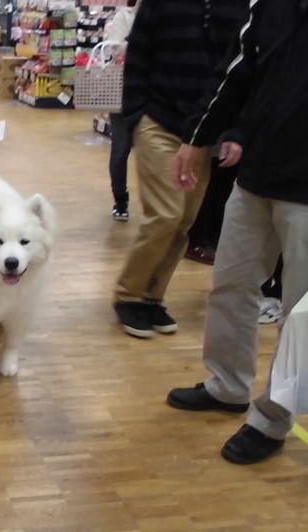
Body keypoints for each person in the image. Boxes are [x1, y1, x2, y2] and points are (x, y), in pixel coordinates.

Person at [168, 0, 308, 465]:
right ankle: (226, 385)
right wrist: (197, 136)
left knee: (300, 314)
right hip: (256, 178)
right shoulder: (271, 6)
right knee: (231, 284)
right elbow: (238, 73)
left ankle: (270, 419)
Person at [112, 0, 248, 338]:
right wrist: (135, 113)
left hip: (201, 132)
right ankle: (128, 294)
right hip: (157, 121)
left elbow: (239, 69)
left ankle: (152, 297)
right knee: (166, 215)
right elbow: (139, 54)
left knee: (184, 221)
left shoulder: (239, 6)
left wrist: (231, 129)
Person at [103, 0, 138, 222]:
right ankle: (121, 200)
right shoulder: (124, 18)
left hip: (156, 96)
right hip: (124, 93)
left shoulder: (165, 17)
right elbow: (113, 50)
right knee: (121, 150)